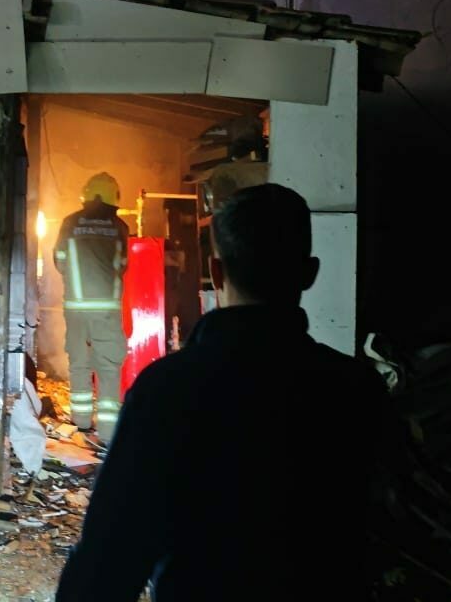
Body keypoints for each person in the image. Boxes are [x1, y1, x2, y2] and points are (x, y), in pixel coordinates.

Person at [56, 183, 396, 601]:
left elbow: (108, 562)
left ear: (216, 273)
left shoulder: (167, 389)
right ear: (310, 273)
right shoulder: (358, 391)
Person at [54, 172, 130, 445]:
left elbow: (60, 260)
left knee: (79, 363)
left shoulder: (69, 222)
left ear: (87, 195)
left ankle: (81, 424)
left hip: (76, 308)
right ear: (113, 197)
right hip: (106, 310)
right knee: (108, 367)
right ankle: (108, 435)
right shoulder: (119, 226)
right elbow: (123, 264)